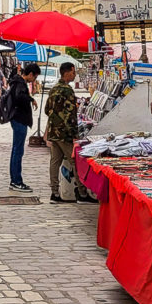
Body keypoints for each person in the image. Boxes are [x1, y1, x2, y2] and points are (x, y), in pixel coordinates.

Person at [44, 62, 96, 204]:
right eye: (73, 72)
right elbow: (71, 116)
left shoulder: (54, 89)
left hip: (54, 132)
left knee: (55, 161)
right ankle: (82, 193)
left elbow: (47, 110)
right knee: (75, 162)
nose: (74, 75)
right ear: (67, 72)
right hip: (65, 134)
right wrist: (75, 136)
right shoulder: (67, 91)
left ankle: (55, 193)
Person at [6, 63, 40, 193]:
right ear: (30, 74)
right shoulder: (20, 83)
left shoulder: (17, 81)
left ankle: (15, 180)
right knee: (18, 151)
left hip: (18, 119)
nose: (34, 80)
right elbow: (19, 97)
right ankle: (16, 181)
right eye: (35, 77)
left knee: (17, 150)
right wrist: (31, 99)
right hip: (19, 119)